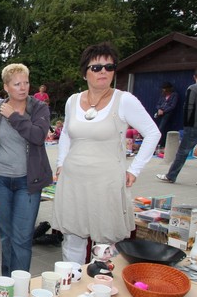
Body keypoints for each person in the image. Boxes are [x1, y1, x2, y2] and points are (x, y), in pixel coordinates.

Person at [52, 43, 159, 264]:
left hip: (106, 181)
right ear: (85, 73)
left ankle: (101, 282)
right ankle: (72, 280)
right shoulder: (73, 101)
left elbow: (152, 133)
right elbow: (66, 135)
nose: (103, 72)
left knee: (105, 244)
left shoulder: (124, 100)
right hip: (73, 180)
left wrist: (135, 169)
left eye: (109, 67)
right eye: (97, 67)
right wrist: (61, 163)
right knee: (72, 239)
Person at [0, 63, 52, 276]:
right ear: (6, 87)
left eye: (26, 82)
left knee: (22, 237)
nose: (23, 88)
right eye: (17, 84)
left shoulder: (39, 108)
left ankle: (20, 285)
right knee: (6, 235)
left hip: (27, 182)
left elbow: (38, 136)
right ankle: (7, 284)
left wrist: (14, 117)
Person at [152, 82, 178, 149]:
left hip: (167, 113)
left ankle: (158, 143)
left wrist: (164, 111)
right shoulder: (163, 95)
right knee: (156, 127)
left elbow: (172, 106)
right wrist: (159, 109)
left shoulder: (174, 95)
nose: (163, 90)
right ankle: (158, 143)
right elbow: (158, 104)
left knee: (161, 128)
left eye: (165, 89)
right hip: (160, 112)